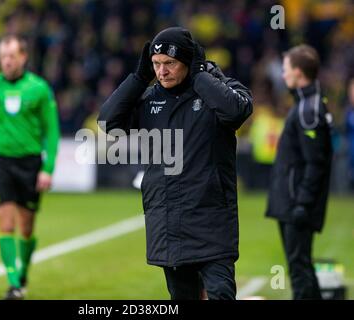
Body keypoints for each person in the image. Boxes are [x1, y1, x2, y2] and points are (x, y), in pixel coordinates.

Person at [98, 27, 253, 300]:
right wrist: (138, 78)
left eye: (169, 63)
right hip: (170, 224)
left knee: (221, 295)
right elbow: (108, 122)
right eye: (156, 65)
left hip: (211, 221)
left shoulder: (218, 88)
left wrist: (199, 76)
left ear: (189, 62)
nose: (162, 72)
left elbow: (236, 111)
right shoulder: (150, 99)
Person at [0, 35, 60, 300]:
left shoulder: (40, 89)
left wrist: (48, 168)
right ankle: (14, 284)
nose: (7, 62)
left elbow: (51, 131)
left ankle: (22, 274)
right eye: (3, 57)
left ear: (23, 57)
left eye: (12, 56)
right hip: (1, 163)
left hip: (31, 164)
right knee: (5, 223)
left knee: (27, 227)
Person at [265, 44, 333, 299]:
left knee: (299, 268)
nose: (283, 75)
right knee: (301, 265)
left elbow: (315, 162)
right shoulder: (308, 104)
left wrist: (303, 203)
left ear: (298, 72)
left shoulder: (308, 109)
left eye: (285, 69)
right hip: (295, 202)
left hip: (297, 204)